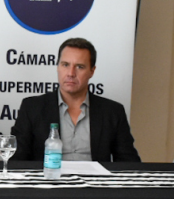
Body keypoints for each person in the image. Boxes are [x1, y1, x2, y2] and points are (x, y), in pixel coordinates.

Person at [11, 37, 140, 162]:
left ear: (92, 71)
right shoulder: (32, 107)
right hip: (49, 176)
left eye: (80, 67)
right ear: (57, 67)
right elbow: (16, 161)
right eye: (65, 65)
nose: (71, 73)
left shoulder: (112, 111)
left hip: (94, 177)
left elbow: (129, 163)